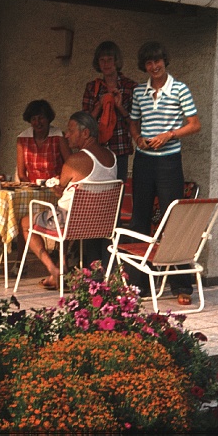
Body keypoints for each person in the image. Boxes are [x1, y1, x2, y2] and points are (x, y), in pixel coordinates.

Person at [128, 41, 201, 299]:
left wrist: (170, 134)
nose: (154, 66)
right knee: (140, 219)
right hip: (144, 161)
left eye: (157, 61)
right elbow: (133, 123)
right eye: (149, 63)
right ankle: (138, 285)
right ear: (144, 66)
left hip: (169, 162)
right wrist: (138, 139)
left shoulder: (180, 89)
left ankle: (181, 286)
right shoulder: (139, 92)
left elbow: (194, 125)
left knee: (173, 219)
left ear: (164, 61)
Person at [20, 111, 117, 291]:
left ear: (85, 133)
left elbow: (59, 190)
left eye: (71, 131)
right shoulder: (111, 157)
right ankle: (63, 266)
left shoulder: (75, 160)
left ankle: (53, 269)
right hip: (101, 223)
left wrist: (55, 186)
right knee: (60, 213)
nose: (66, 135)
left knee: (26, 222)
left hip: (71, 222)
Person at [81, 41, 137, 181]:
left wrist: (119, 106)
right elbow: (84, 124)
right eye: (102, 60)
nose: (106, 64)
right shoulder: (92, 87)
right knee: (97, 191)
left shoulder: (130, 86)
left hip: (120, 147)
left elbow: (135, 122)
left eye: (110, 60)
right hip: (97, 148)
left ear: (116, 61)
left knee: (117, 191)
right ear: (98, 63)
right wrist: (99, 105)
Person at [16, 99, 72, 184]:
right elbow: (21, 174)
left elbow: (71, 165)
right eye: (33, 119)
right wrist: (32, 189)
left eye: (41, 118)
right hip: (31, 187)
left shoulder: (58, 136)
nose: (37, 122)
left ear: (48, 118)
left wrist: (61, 180)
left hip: (56, 186)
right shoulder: (22, 138)